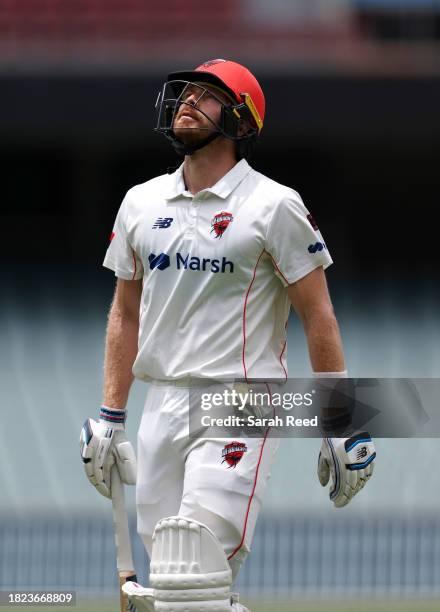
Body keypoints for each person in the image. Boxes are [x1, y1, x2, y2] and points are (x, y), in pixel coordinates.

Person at [79, 59, 376, 612]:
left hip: (239, 400)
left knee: (193, 571)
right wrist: (110, 415)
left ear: (240, 121)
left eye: (207, 95)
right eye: (186, 92)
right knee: (170, 588)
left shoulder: (275, 205)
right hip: (160, 404)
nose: (187, 101)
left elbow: (318, 314)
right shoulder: (140, 202)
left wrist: (340, 422)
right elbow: (125, 313)